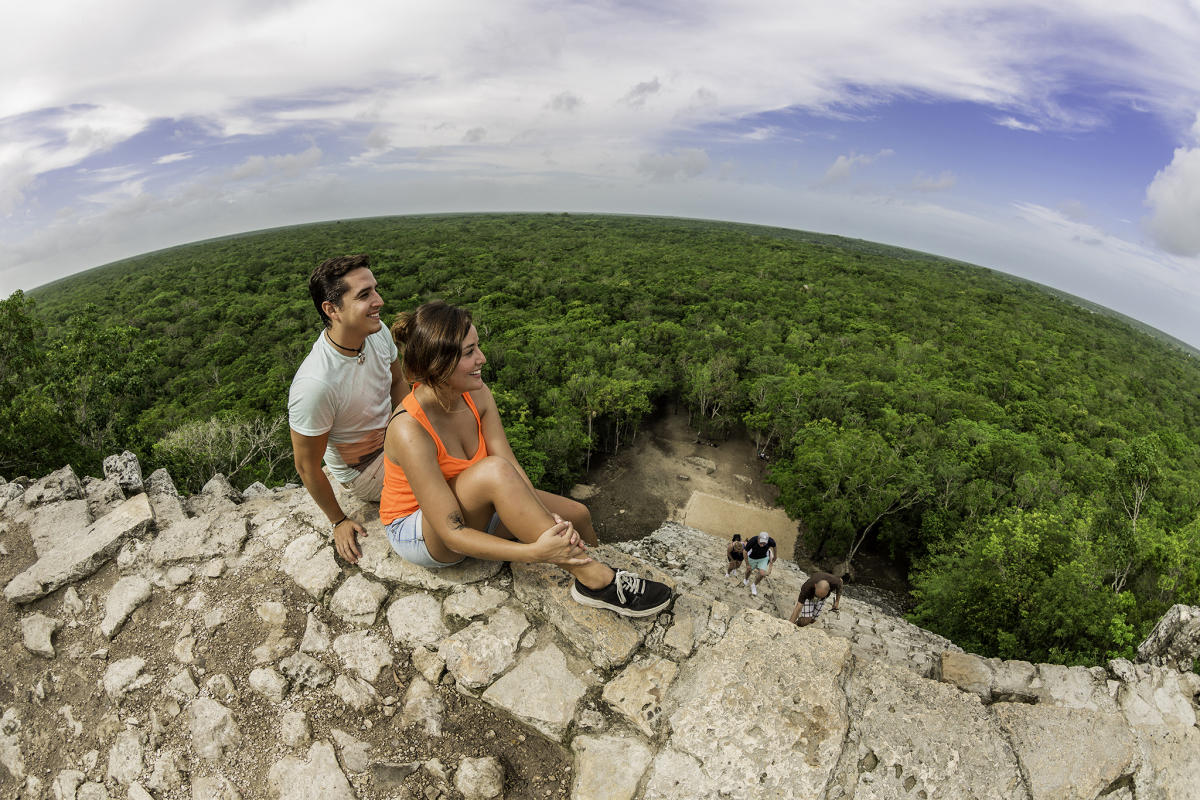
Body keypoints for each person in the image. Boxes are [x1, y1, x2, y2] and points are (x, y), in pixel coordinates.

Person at [379, 300, 672, 617]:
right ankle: (596, 581)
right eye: (469, 352)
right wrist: (533, 552)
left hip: (475, 504)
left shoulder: (476, 393)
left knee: (578, 512)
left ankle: (590, 563)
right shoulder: (409, 428)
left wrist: (549, 518)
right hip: (422, 530)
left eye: (478, 347)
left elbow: (511, 467)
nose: (482, 358)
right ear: (438, 364)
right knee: (493, 471)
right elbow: (451, 534)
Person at [288, 254, 409, 564]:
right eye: (364, 295)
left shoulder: (376, 332)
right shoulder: (317, 383)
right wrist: (338, 520)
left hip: (395, 436)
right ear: (332, 309)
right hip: (364, 469)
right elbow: (306, 466)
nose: (379, 301)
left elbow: (398, 382)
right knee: (454, 469)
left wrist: (413, 426)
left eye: (375, 290)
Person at [742, 531, 776, 596]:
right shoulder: (752, 540)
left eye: (764, 543)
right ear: (758, 539)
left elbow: (774, 546)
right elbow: (744, 552)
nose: (762, 545)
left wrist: (776, 556)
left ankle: (754, 585)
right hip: (752, 557)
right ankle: (746, 579)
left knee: (762, 574)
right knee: (748, 570)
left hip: (763, 558)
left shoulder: (770, 541)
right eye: (761, 543)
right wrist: (747, 564)